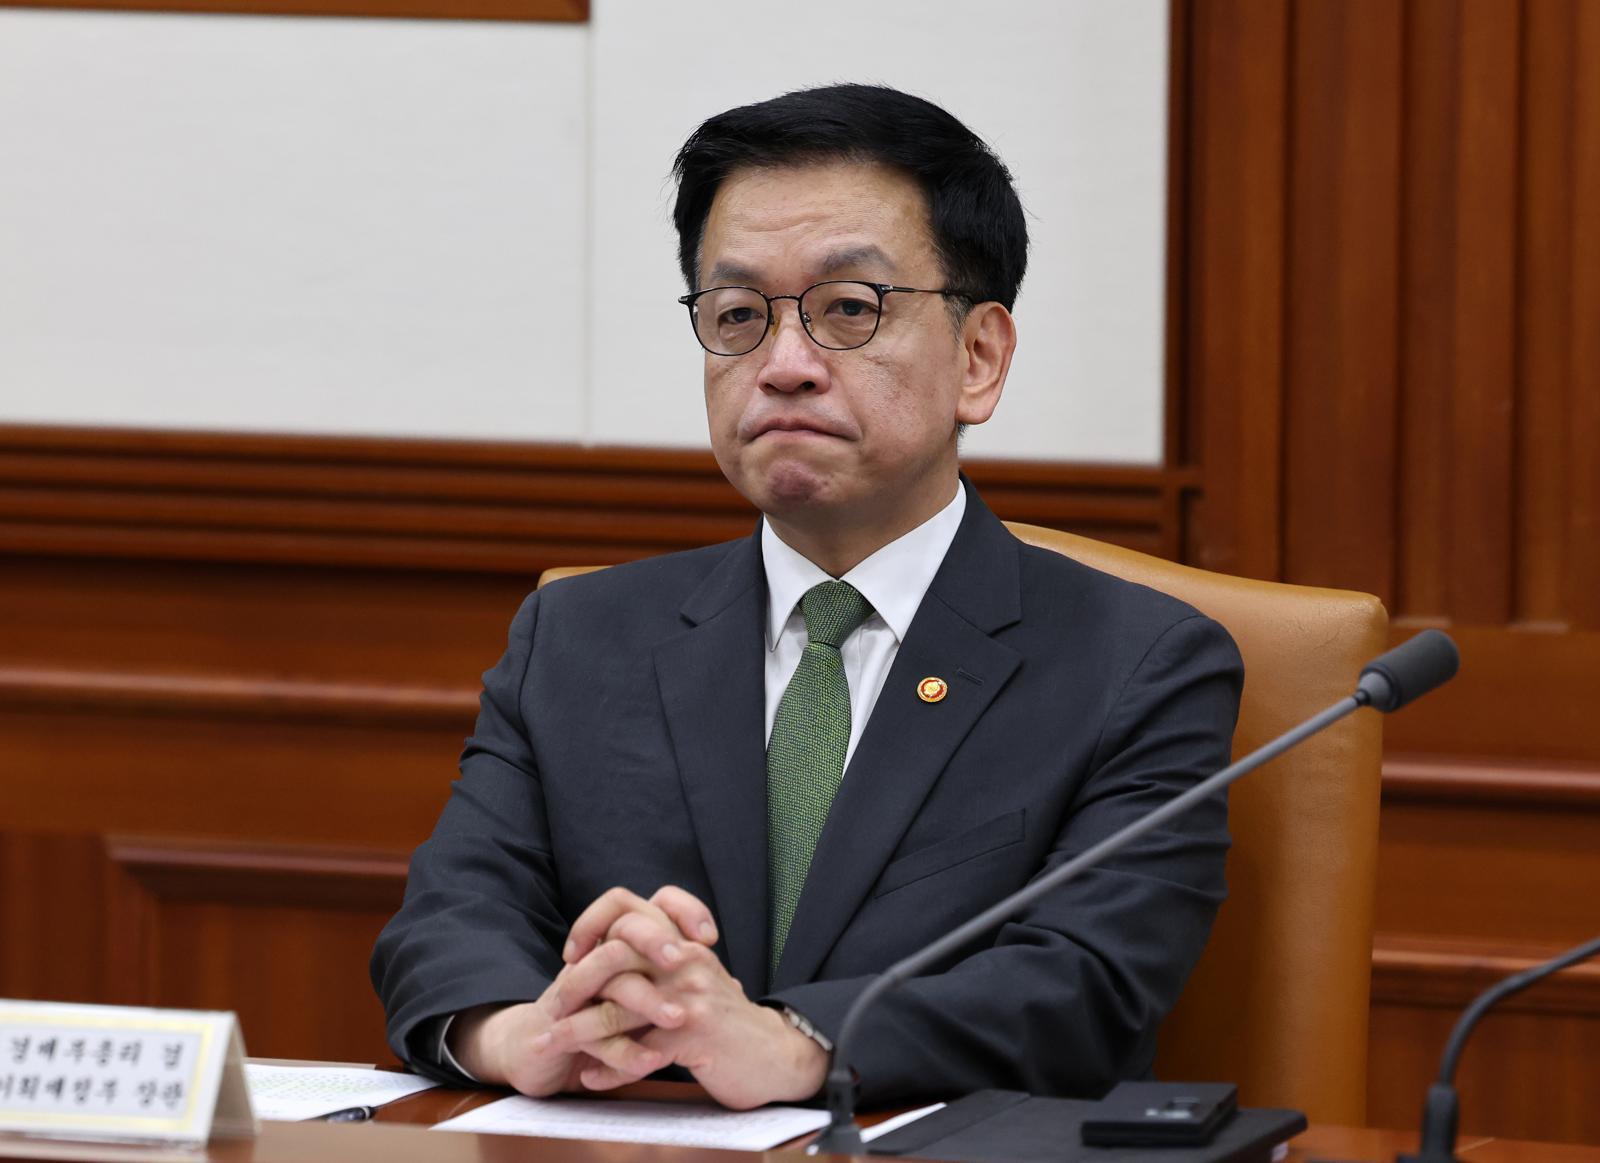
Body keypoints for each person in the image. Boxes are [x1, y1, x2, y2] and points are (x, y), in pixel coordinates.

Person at [371, 83, 1243, 1111]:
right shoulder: (578, 636)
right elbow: (450, 918)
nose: (784, 366)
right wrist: (526, 1032)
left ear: (978, 357)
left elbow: (1086, 985)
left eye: (849, 309)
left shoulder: (1137, 663)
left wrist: (797, 1045)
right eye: (739, 315)